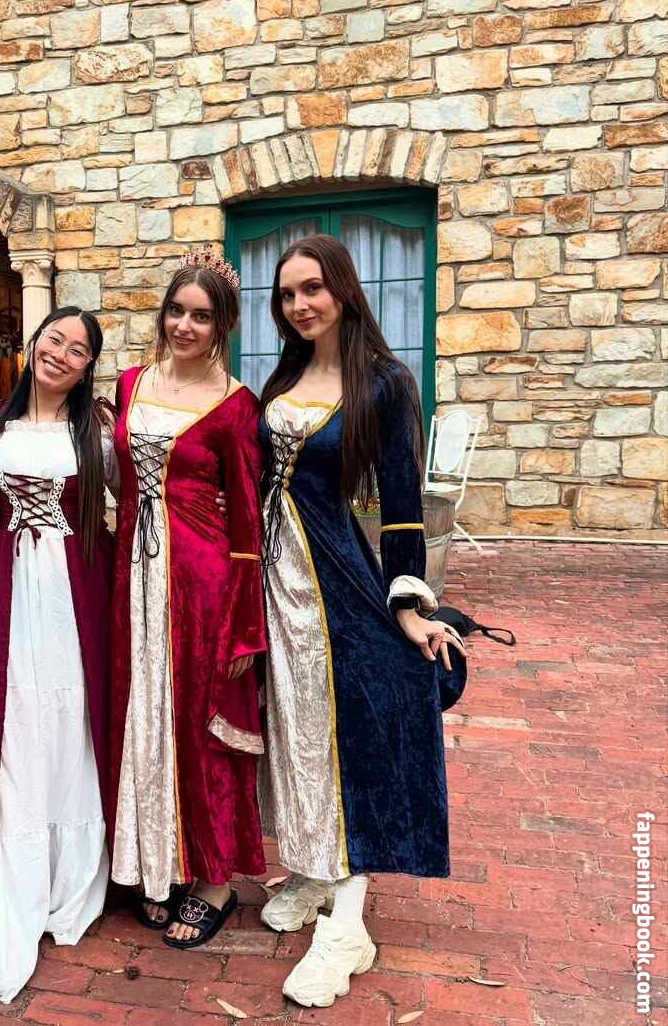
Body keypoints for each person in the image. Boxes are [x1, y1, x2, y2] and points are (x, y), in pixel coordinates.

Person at [255, 235, 465, 1008]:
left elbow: (403, 505)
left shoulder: (384, 383)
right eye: (286, 294)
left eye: (311, 288)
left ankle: (348, 926)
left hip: (334, 580)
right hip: (267, 579)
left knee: (353, 733)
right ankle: (314, 868)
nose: (299, 304)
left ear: (343, 288)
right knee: (293, 727)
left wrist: (408, 605)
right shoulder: (284, 375)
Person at [0, 308, 115, 1002]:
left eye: (78, 350)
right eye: (55, 340)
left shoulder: (97, 431)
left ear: (88, 367)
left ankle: (71, 875)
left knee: (70, 717)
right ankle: (19, 867)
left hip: (74, 590)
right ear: (34, 343)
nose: (61, 354)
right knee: (15, 719)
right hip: (12, 588)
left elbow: (136, 505)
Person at [108, 248, 267, 950]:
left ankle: (214, 881)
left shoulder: (235, 406)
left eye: (201, 316)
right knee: (140, 715)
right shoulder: (130, 384)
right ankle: (154, 863)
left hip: (202, 585)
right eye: (176, 310)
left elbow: (247, 523)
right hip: (132, 579)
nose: (185, 325)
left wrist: (244, 625)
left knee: (199, 726)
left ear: (222, 325)